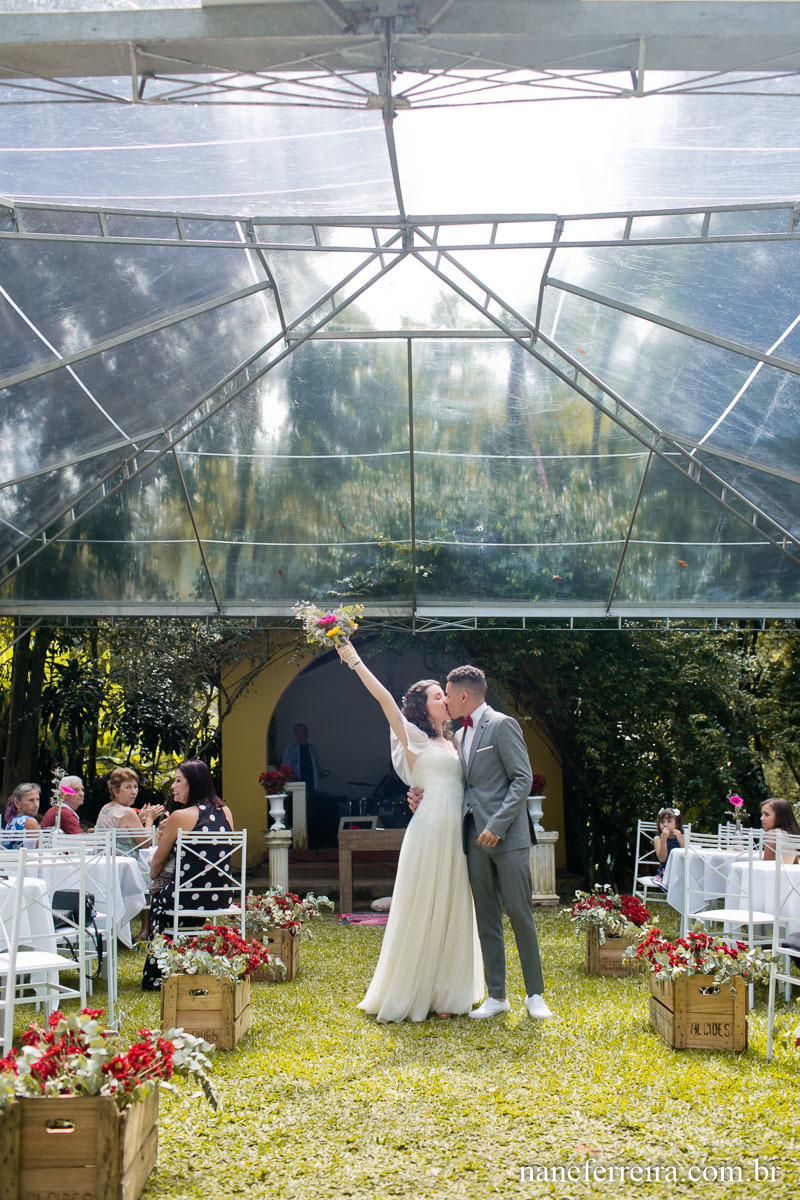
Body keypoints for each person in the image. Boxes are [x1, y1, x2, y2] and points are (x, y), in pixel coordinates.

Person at [337, 641, 483, 1022]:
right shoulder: (413, 737)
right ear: (424, 705)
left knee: (453, 904)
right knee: (426, 904)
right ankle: (416, 989)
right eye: (438, 695)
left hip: (458, 830)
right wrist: (354, 660)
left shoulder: (454, 741)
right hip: (431, 826)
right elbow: (384, 698)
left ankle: (448, 993)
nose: (445, 699)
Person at [437, 665, 551, 1020]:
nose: (445, 700)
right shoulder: (458, 736)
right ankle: (497, 996)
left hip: (508, 837)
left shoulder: (503, 725)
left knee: (519, 913)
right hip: (473, 838)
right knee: (486, 916)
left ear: (464, 696)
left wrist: (498, 825)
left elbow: (522, 779)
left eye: (448, 694)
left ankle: (535, 995)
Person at [142, 760, 234, 991]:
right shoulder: (226, 812)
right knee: (177, 894)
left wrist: (154, 875)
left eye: (178, 781)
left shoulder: (180, 816)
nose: (173, 786)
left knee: (160, 900)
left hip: (187, 896)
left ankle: (158, 973)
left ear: (194, 784)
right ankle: (189, 957)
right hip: (220, 895)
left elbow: (159, 861)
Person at [95, 767, 165, 854]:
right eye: (128, 787)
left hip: (103, 864)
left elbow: (119, 834)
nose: (134, 792)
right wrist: (149, 819)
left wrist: (138, 820)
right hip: (124, 865)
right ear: (115, 791)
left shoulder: (105, 808)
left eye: (135, 787)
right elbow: (146, 844)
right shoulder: (127, 812)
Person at [1, 782, 41, 848]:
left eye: (37, 799)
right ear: (17, 803)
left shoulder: (12, 821)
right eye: (31, 800)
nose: (36, 805)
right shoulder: (30, 822)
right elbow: (40, 849)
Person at [761, 798, 800, 863]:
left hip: (776, 872)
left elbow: (767, 864)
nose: (762, 818)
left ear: (780, 817)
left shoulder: (773, 834)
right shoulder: (792, 834)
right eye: (762, 814)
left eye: (767, 814)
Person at [653, 807, 684, 886]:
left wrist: (680, 839)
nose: (665, 825)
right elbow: (662, 859)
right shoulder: (658, 839)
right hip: (666, 871)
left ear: (677, 824)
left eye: (669, 821)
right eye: (662, 822)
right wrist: (663, 839)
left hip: (681, 871)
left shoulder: (682, 837)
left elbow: (687, 855)